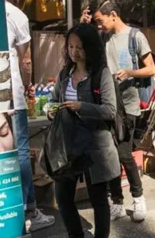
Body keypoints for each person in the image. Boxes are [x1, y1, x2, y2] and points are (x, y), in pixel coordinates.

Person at [50, 23, 120, 238]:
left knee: (98, 199)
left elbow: (110, 110)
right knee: (63, 196)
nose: (74, 52)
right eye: (70, 46)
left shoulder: (101, 74)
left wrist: (82, 106)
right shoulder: (64, 74)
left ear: (90, 47)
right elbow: (53, 100)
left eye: (79, 47)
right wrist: (51, 110)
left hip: (94, 146)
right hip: (68, 147)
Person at [89, 0, 155, 222]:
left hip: (128, 106)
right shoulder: (103, 37)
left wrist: (130, 73)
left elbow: (151, 69)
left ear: (113, 15)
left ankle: (138, 197)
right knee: (110, 156)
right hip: (107, 105)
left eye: (100, 20)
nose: (99, 25)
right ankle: (116, 201)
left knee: (124, 154)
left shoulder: (135, 36)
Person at [3, 0, 55, 231]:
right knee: (21, 152)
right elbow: (25, 60)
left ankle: (4, 211)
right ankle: (29, 211)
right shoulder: (16, 16)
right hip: (12, 93)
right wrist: (27, 86)